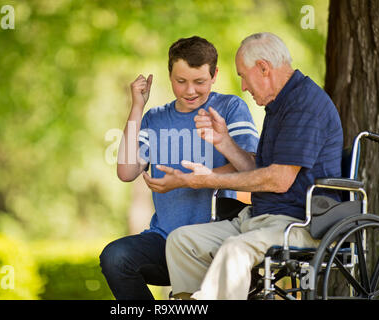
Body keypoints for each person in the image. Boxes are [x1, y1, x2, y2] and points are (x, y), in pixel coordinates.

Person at [149, 32, 343, 299]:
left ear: (263, 68)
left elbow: (278, 180)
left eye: (243, 75)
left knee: (235, 250)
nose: (242, 86)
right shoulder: (280, 104)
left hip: (300, 224)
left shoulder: (304, 105)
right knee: (182, 241)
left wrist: (208, 180)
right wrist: (224, 142)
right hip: (259, 218)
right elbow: (257, 168)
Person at [99, 36, 259, 300]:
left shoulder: (230, 108)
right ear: (169, 74)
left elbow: (251, 168)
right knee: (115, 258)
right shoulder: (155, 118)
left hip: (217, 241)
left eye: (199, 82)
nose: (189, 91)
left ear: (214, 74)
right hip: (164, 239)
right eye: (180, 81)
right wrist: (137, 107)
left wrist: (187, 180)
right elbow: (126, 171)